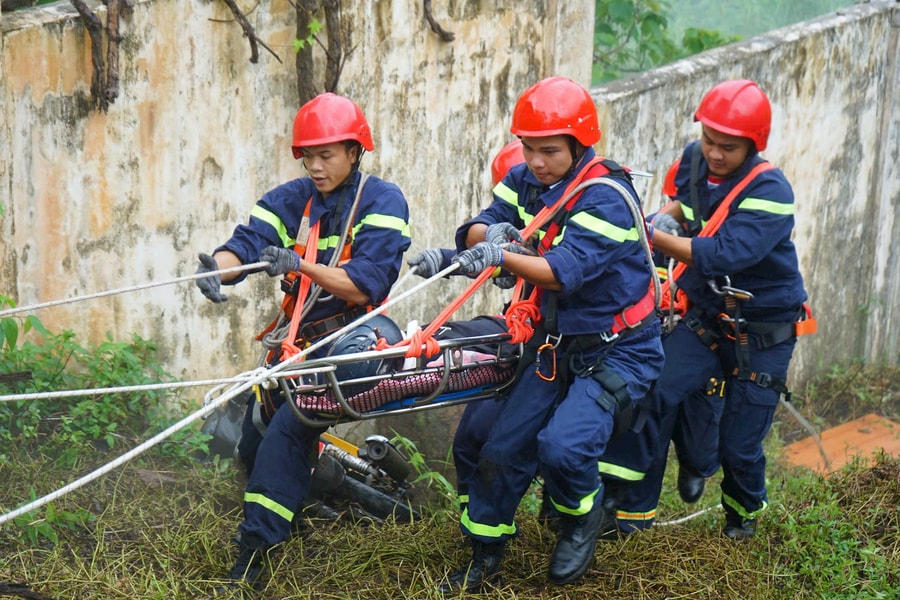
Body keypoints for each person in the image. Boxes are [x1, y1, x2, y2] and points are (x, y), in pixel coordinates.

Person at [436, 76, 664, 593]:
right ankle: (486, 551)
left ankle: (581, 517)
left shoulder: (606, 197)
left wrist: (500, 252)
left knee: (563, 447)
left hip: (618, 347)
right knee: (502, 447)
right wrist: (470, 248)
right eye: (530, 148)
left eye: (550, 151)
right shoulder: (523, 179)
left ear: (580, 145)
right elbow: (480, 226)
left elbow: (562, 270)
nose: (537, 161)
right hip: (554, 342)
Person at [194, 92, 411, 590]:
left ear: (355, 152)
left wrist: (300, 265)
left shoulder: (382, 201)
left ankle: (251, 562)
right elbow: (247, 244)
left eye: (327, 155)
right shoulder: (293, 200)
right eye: (307, 156)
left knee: (287, 435)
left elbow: (365, 283)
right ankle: (313, 502)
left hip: (353, 342)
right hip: (298, 347)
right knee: (253, 441)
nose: (315, 166)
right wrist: (219, 270)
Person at [600, 79, 809, 539]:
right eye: (709, 140)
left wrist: (646, 232)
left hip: (762, 332)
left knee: (739, 444)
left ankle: (742, 517)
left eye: (728, 147)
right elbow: (688, 206)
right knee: (647, 390)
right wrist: (665, 215)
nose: (715, 153)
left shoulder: (771, 191)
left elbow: (724, 254)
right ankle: (622, 503)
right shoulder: (694, 162)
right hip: (708, 319)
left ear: (753, 145)